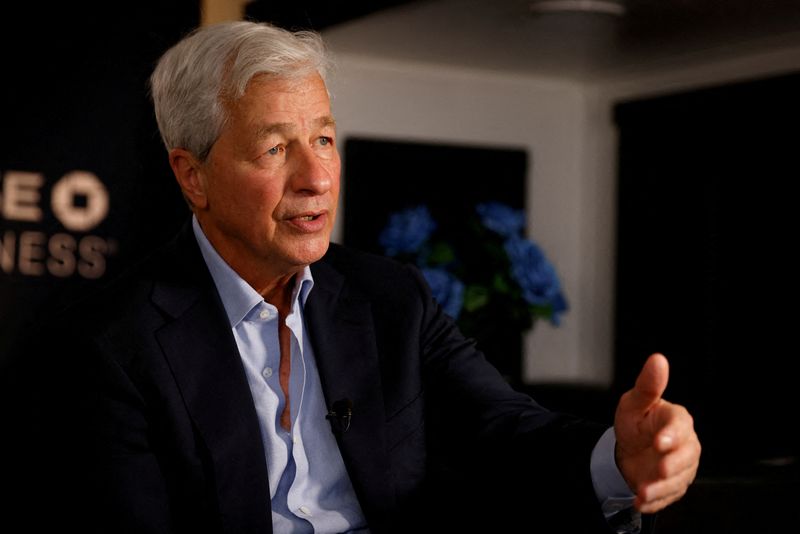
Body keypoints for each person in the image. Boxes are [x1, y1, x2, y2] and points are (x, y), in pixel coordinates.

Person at [7, 20, 700, 534]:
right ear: (194, 176)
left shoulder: (390, 298)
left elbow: (504, 430)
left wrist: (621, 459)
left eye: (326, 139)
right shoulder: (107, 344)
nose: (317, 178)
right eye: (277, 147)